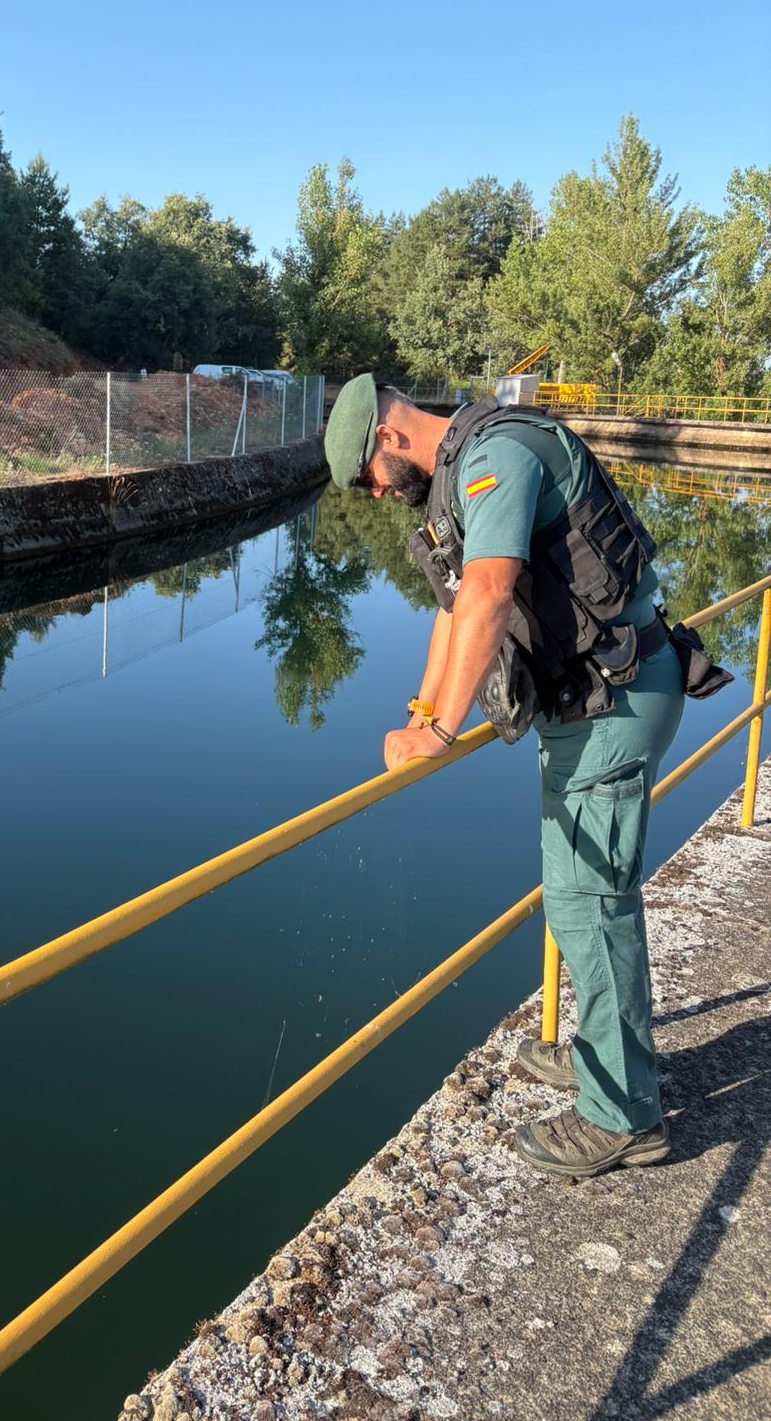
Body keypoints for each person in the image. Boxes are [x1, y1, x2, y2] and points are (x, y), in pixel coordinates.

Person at [324, 374, 687, 1179]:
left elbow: (490, 592)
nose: (376, 495)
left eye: (367, 480)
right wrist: (424, 714)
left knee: (593, 903)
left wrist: (447, 730)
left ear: (387, 438)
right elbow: (453, 609)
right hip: (586, 703)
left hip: (616, 700)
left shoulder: (497, 457)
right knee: (575, 895)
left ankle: (622, 1115)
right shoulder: (458, 483)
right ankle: (604, 1061)